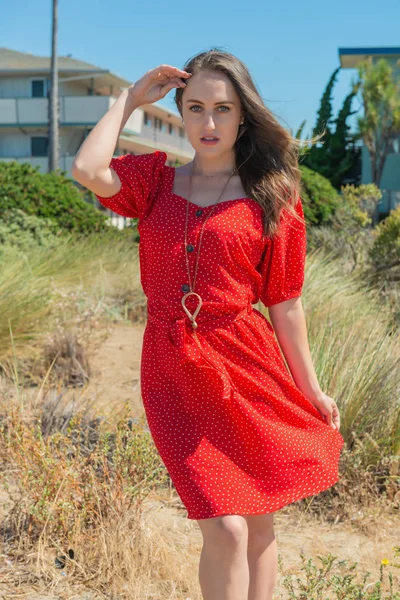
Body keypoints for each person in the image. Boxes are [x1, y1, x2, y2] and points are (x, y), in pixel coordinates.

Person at [72, 48, 344, 600]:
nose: (209, 122)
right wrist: (128, 99)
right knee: (226, 525)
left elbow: (285, 303)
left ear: (244, 114)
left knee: (260, 520)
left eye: (222, 108)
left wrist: (309, 387)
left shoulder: (274, 197)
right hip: (173, 368)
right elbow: (86, 170)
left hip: (249, 363)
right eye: (194, 108)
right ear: (181, 111)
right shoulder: (152, 184)